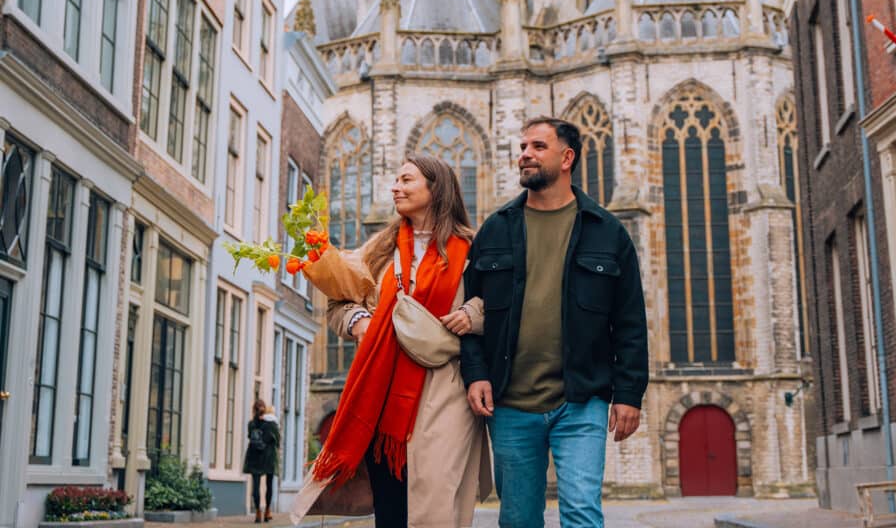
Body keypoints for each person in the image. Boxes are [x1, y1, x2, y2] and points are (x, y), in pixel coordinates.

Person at [461, 117, 648, 528]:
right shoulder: (495, 230)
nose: (525, 154)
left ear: (567, 158)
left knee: (581, 512)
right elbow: (468, 315)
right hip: (510, 402)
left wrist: (630, 393)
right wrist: (475, 373)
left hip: (582, 401)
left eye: (537, 146)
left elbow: (630, 320)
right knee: (519, 519)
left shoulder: (608, 233)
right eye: (523, 145)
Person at [294, 154, 491, 528]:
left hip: (446, 389)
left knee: (437, 501)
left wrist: (472, 315)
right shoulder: (378, 249)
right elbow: (339, 303)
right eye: (396, 181)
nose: (395, 187)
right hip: (382, 391)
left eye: (406, 180)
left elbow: (502, 302)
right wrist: (359, 322)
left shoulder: (474, 248)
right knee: (391, 505)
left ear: (435, 189)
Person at [243, 398, 280, 522]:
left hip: (255, 457)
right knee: (269, 485)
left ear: (254, 410)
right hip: (269, 458)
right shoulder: (272, 424)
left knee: (256, 486)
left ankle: (258, 512)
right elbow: (278, 440)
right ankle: (268, 511)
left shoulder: (251, 424)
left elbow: (250, 436)